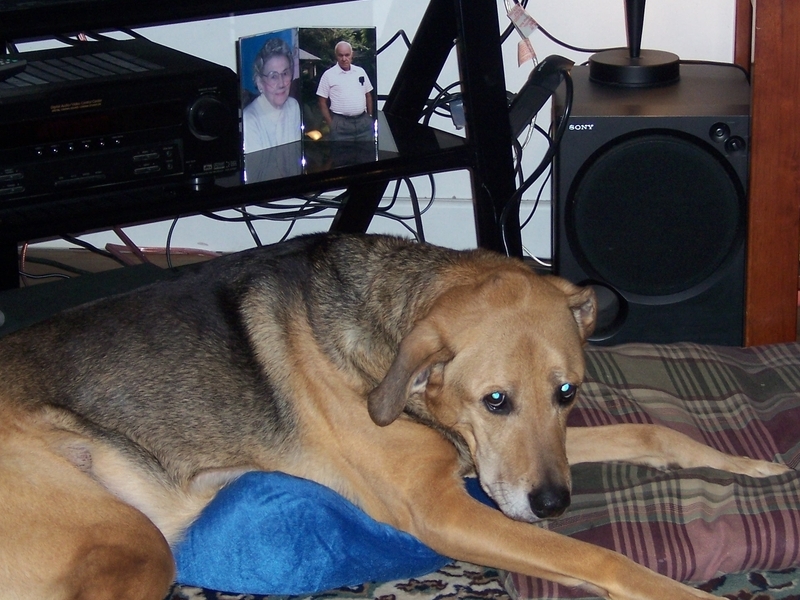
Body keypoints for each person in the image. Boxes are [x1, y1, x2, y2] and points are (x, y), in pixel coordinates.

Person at [242, 37, 302, 153]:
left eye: (285, 73)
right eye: (273, 76)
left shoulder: (293, 106)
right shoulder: (250, 119)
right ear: (260, 82)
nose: (281, 83)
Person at [316, 41, 375, 142]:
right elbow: (322, 101)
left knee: (366, 155)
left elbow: (368, 94)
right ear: (336, 56)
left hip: (363, 122)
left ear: (352, 54)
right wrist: (331, 124)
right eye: (341, 55)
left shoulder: (360, 71)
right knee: (341, 156)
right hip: (340, 123)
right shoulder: (328, 75)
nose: (344, 59)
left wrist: (369, 116)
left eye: (347, 55)